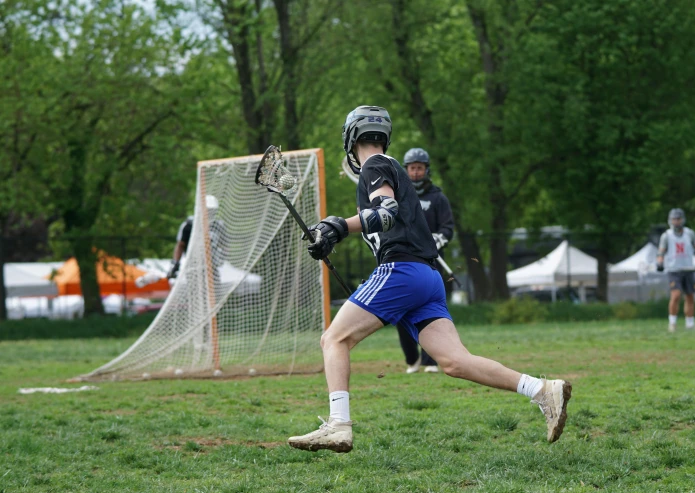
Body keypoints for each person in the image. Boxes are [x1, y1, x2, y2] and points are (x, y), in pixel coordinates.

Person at [287, 105, 571, 453]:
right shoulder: (392, 170)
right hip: (427, 277)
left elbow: (385, 213)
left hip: (402, 271)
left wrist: (338, 226)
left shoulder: (375, 165)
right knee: (454, 362)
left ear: (349, 138)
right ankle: (543, 390)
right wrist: (329, 236)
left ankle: (339, 425)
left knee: (334, 339)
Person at [397, 147, 454, 374]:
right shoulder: (399, 195)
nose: (416, 172)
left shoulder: (438, 198)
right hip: (406, 262)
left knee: (431, 313)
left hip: (432, 264)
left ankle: (430, 360)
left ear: (426, 170)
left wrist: (437, 239)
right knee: (402, 313)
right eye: (412, 168)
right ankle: (412, 359)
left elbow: (448, 227)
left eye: (420, 168)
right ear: (406, 170)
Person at [656, 208, 695, 332]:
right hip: (674, 270)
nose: (676, 222)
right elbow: (661, 252)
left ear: (682, 220)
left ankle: (690, 323)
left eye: (678, 219)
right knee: (676, 295)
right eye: (674, 219)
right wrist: (660, 262)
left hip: (688, 268)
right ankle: (672, 323)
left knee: (690, 296)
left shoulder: (689, 234)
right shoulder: (666, 236)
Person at [167, 195, 226, 281]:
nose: (210, 213)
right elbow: (180, 245)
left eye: (212, 211)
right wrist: (176, 263)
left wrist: (221, 257)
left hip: (212, 267)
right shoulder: (190, 225)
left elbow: (224, 245)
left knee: (215, 292)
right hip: (193, 267)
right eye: (208, 210)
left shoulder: (218, 226)